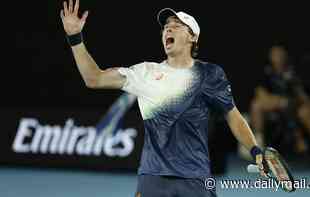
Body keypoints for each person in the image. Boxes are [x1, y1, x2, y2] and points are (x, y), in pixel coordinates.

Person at [60, 1, 266, 196]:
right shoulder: (145, 72)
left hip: (196, 178)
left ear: (192, 37)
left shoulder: (210, 74)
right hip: (153, 177)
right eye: (166, 26)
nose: (168, 29)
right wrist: (75, 38)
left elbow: (233, 116)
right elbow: (94, 78)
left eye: (176, 26)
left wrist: (255, 149)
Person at [249, 45, 301, 152]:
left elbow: (297, 95)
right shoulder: (266, 71)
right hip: (272, 104)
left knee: (285, 103)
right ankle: (258, 143)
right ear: (270, 56)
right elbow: (260, 93)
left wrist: (281, 100)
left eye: (280, 54)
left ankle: (298, 140)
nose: (278, 57)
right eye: (275, 55)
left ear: (285, 56)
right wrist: (277, 100)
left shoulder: (293, 71)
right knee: (256, 105)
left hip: (292, 105)